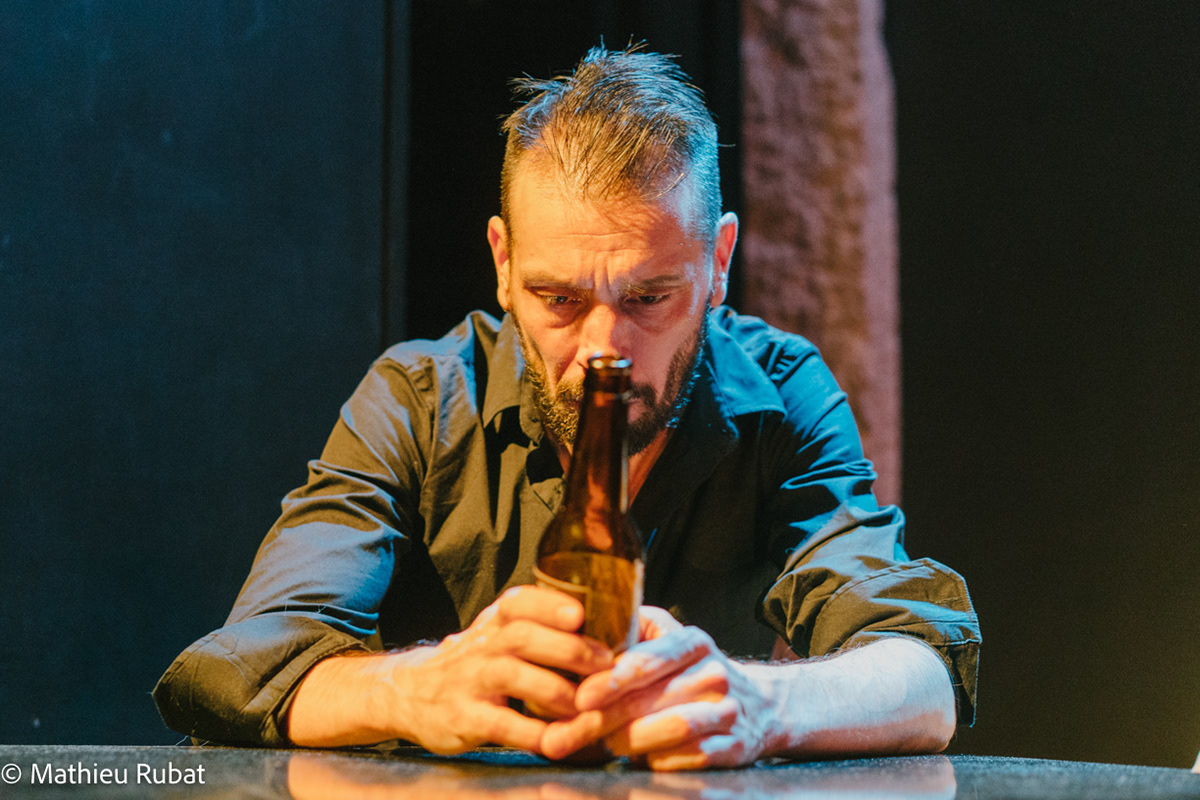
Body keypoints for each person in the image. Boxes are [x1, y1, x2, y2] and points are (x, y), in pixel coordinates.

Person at [154, 45, 979, 771]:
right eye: (558, 298)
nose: (601, 352)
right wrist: (415, 687)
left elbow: (923, 673)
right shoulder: (418, 399)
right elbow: (241, 664)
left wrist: (758, 703)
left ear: (719, 262)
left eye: (649, 297)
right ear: (503, 263)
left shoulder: (782, 393)